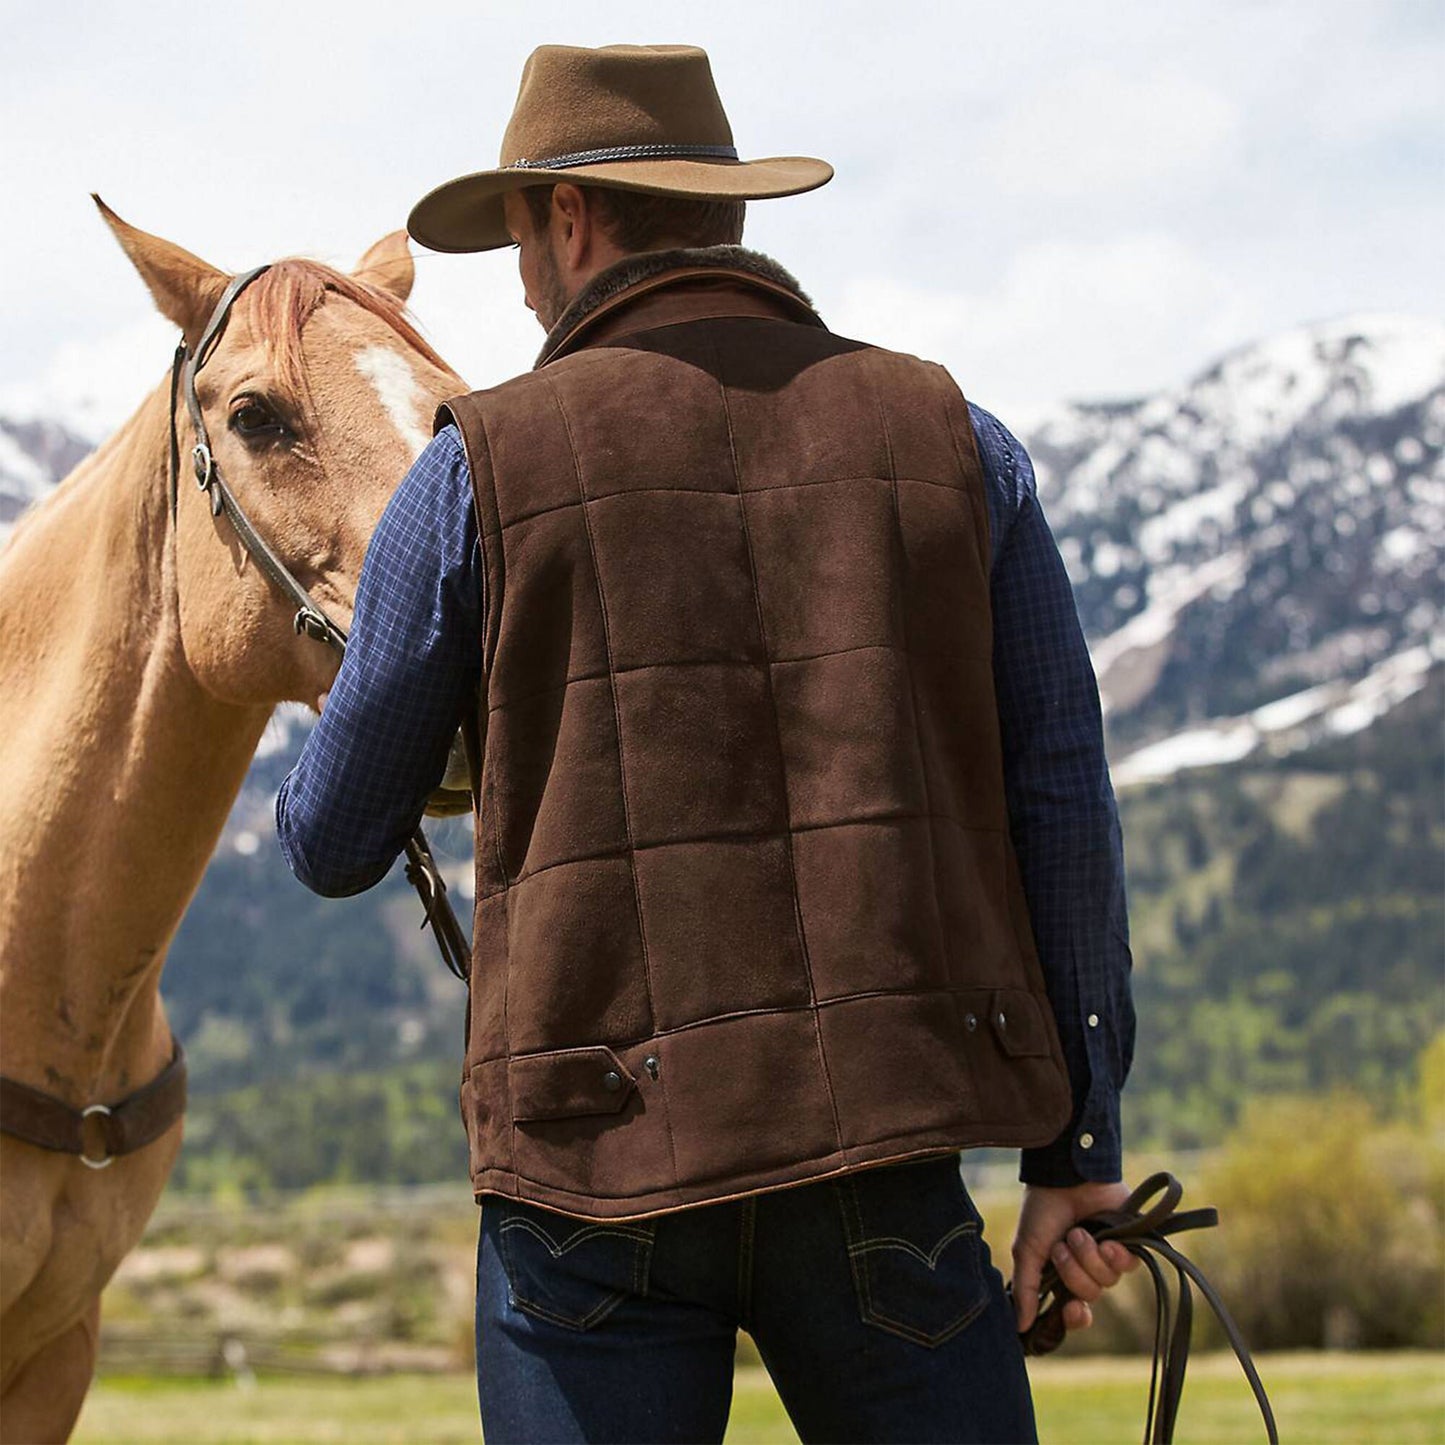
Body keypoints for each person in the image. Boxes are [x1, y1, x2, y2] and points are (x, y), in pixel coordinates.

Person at [276, 42, 1138, 1445]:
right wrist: (1077, 1149)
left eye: (518, 235)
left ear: (570, 218)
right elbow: (1060, 803)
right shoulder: (956, 440)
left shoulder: (471, 470)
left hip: (588, 1183)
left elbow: (330, 842)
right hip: (884, 1150)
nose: (520, 279)